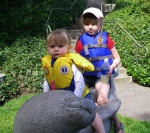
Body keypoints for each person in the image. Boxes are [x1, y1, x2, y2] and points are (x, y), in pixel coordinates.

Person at [42, 29, 106, 133]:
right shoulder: (49, 63)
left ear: (69, 47)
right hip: (60, 98)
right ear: (47, 47)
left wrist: (75, 100)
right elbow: (47, 81)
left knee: (91, 112)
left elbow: (79, 83)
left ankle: (101, 131)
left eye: (60, 46)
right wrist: (45, 97)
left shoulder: (71, 62)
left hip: (80, 95)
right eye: (52, 46)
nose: (56, 49)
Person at [75, 7, 124, 133]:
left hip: (102, 76)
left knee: (101, 99)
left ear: (100, 24)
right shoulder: (81, 41)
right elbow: (75, 60)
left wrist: (112, 67)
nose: (90, 27)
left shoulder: (107, 39)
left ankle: (117, 124)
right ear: (83, 25)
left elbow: (117, 58)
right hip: (86, 77)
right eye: (87, 24)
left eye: (93, 24)